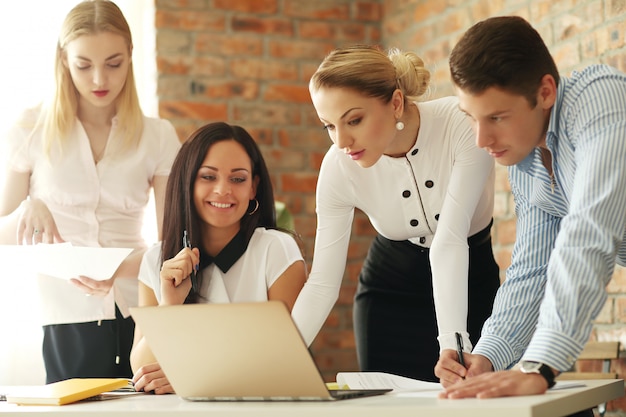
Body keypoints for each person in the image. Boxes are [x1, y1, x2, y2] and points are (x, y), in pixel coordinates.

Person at [436, 15, 626, 406]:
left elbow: (588, 232)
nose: (482, 139)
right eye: (472, 118)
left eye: (497, 118)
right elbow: (532, 269)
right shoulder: (527, 162)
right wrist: (486, 357)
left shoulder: (599, 99)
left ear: (545, 92)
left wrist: (541, 366)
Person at [289, 45, 501, 382]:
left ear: (397, 103)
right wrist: (277, 359)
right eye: (328, 126)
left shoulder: (461, 125)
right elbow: (322, 285)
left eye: (354, 120)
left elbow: (450, 239)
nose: (342, 141)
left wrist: (452, 343)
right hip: (390, 293)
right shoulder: (337, 167)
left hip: (472, 281)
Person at [0, 0, 181, 384]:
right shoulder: (30, 128)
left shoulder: (158, 136)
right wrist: (28, 210)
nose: (100, 79)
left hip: (138, 310)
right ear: (64, 60)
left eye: (113, 63)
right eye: (84, 65)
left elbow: (173, 245)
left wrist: (118, 269)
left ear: (131, 56)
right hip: (66, 314)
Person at [130, 122, 307, 394]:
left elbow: (287, 362)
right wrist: (169, 306)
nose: (223, 190)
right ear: (187, 182)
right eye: (208, 177)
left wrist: (190, 375)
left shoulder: (277, 251)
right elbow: (142, 372)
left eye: (237, 179)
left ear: (253, 188)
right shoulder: (156, 259)